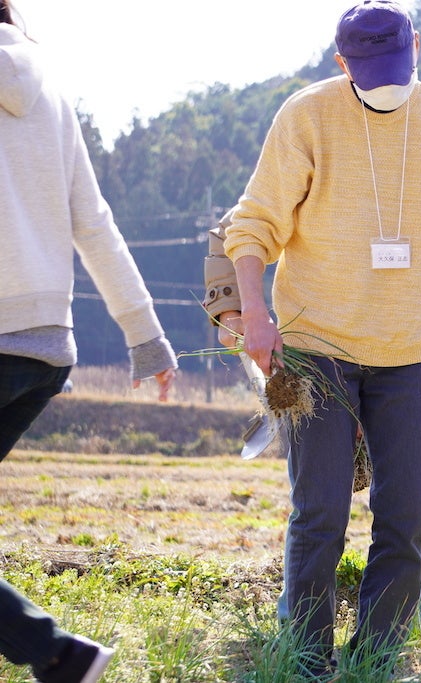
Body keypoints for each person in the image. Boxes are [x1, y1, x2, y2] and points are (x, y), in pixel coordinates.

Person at [221, 0, 421, 675]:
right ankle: (308, 660)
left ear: (417, 45)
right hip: (318, 351)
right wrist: (254, 312)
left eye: (397, 67)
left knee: (407, 518)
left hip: (408, 354)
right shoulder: (307, 116)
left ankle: (375, 659)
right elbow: (253, 225)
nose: (387, 83)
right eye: (370, 73)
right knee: (320, 513)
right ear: (342, 62)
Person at [0, 1, 177, 681]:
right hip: (44, 348)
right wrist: (146, 333)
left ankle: (55, 651)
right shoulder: (48, 86)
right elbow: (94, 222)